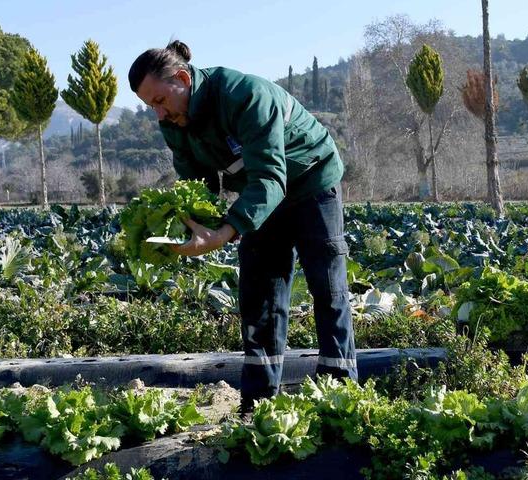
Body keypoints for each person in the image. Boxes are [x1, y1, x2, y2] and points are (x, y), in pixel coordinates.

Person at [128, 40, 357, 414]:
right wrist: (192, 224)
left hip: (310, 181)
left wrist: (226, 231)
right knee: (259, 291)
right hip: (259, 191)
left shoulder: (245, 95)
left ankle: (340, 396)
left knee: (327, 286)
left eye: (159, 100)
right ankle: (258, 403)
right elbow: (197, 187)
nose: (157, 114)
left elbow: (271, 177)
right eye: (149, 105)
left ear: (183, 79)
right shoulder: (175, 121)